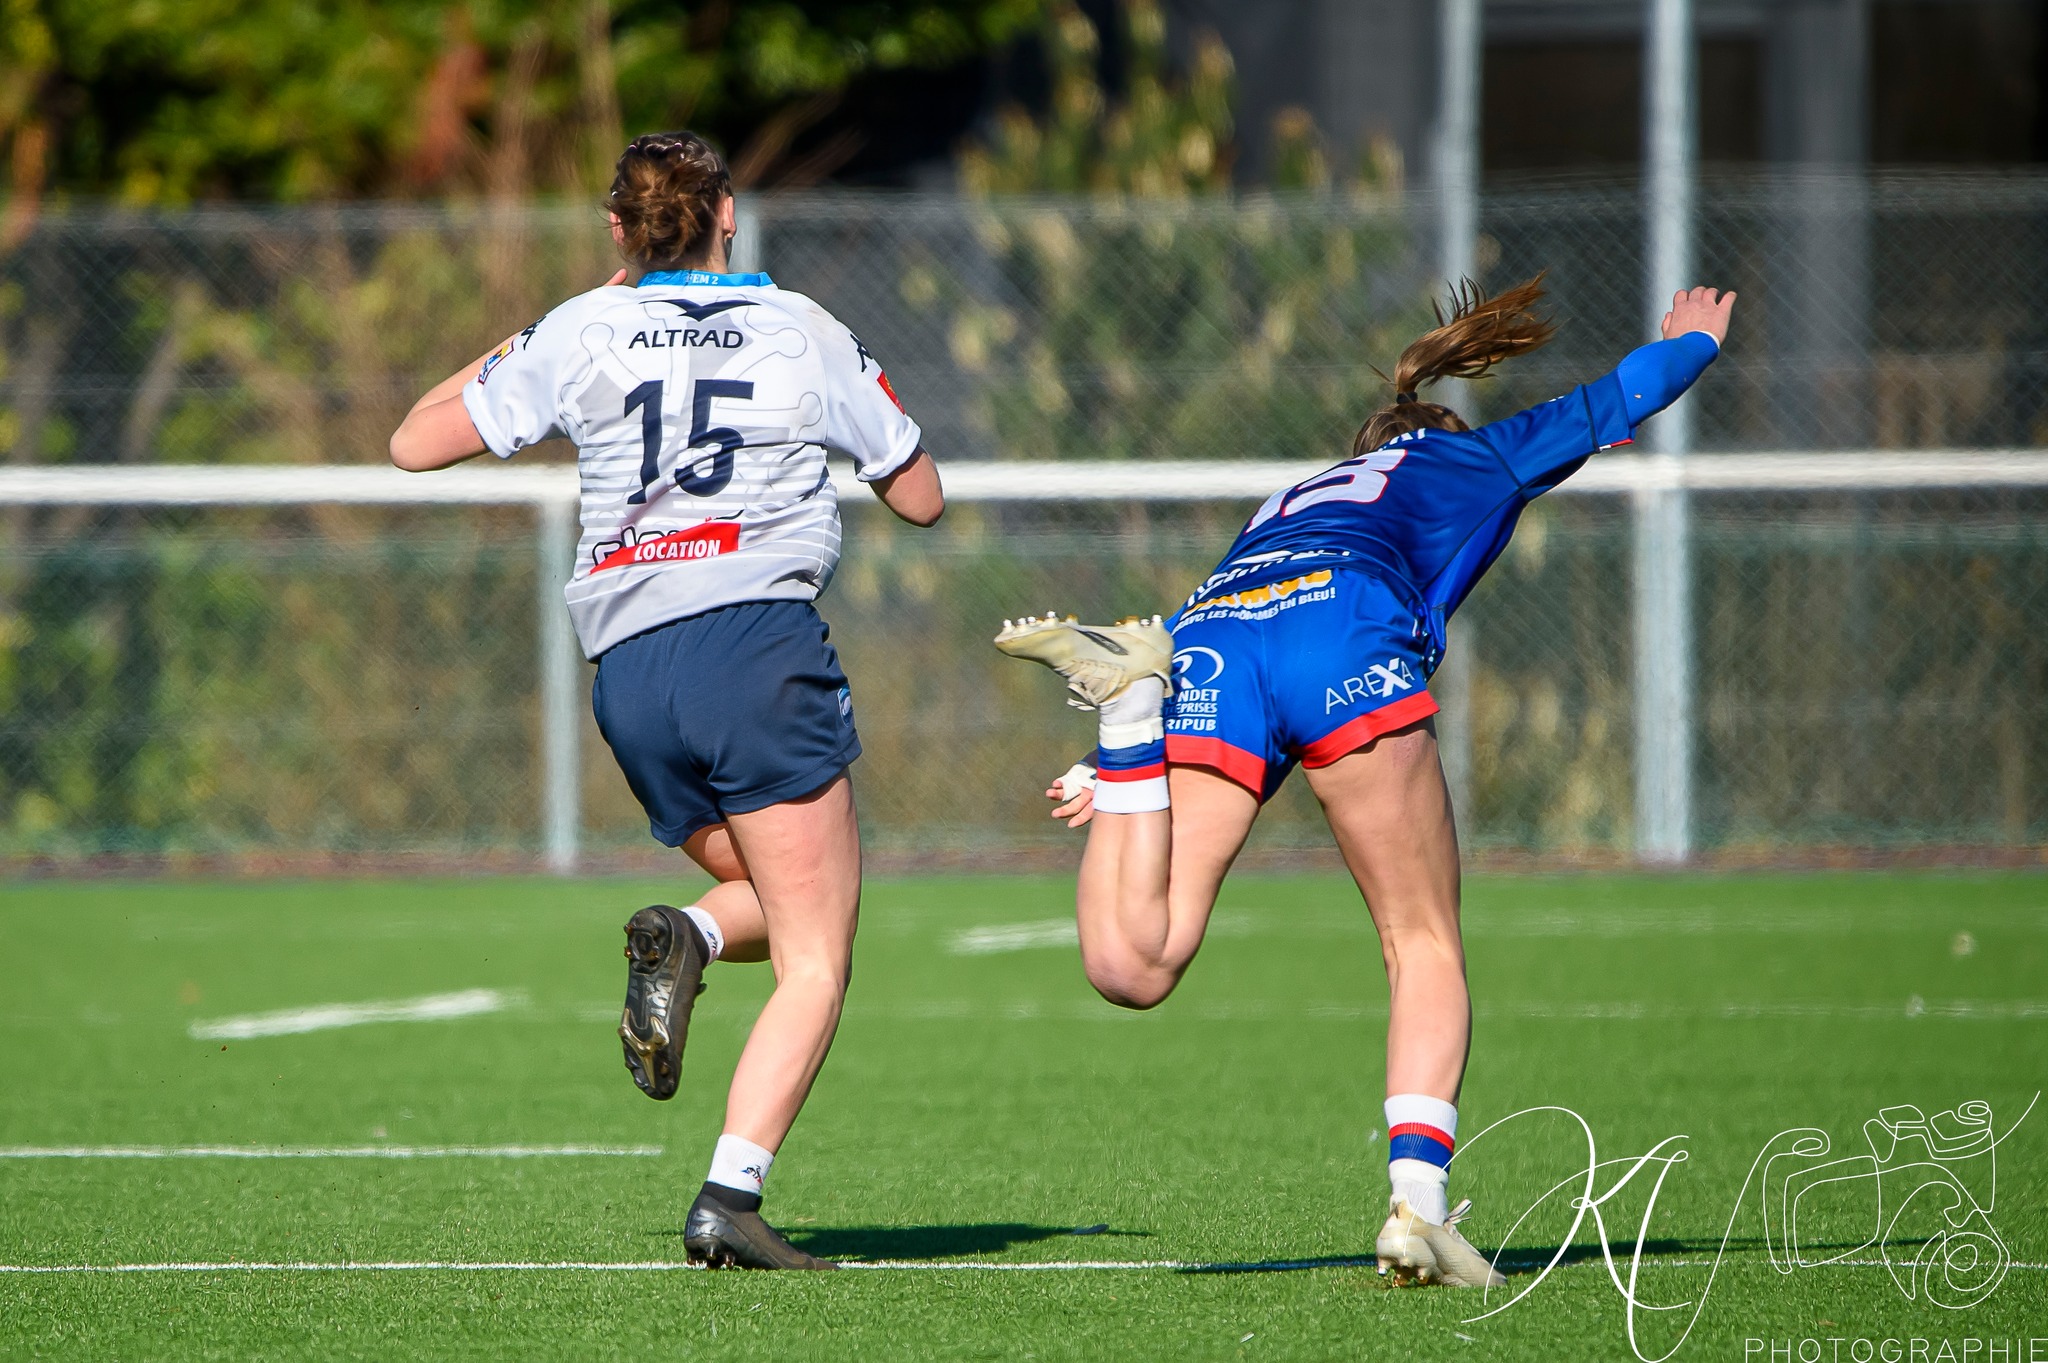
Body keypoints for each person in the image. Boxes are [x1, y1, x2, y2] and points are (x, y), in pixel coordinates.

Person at [995, 276, 1735, 1287]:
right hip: (1341, 628)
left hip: (1210, 647)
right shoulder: (1464, 460)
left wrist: (1121, 762)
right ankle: (1418, 1209)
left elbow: (1214, 625)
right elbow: (1611, 403)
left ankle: (1122, 726)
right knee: (1421, 938)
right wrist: (1693, 345)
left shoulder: (1289, 498)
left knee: (1137, 963)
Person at [390, 130, 943, 1270]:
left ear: (618, 230)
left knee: (774, 895)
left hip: (632, 673)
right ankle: (730, 1196)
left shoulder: (580, 329)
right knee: (817, 953)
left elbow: (412, 441)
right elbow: (922, 496)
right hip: (755, 650)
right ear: (728, 213)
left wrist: (543, 335)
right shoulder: (801, 326)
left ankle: (686, 932)